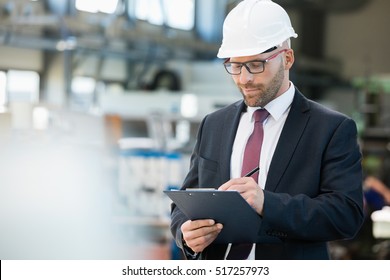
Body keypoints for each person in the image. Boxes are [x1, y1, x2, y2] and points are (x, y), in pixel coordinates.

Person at [169, 0, 364, 260]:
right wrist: (186, 233)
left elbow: (346, 215)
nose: (244, 78)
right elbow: (185, 201)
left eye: (256, 65)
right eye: (235, 66)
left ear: (287, 59)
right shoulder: (214, 124)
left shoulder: (331, 128)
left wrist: (266, 203)